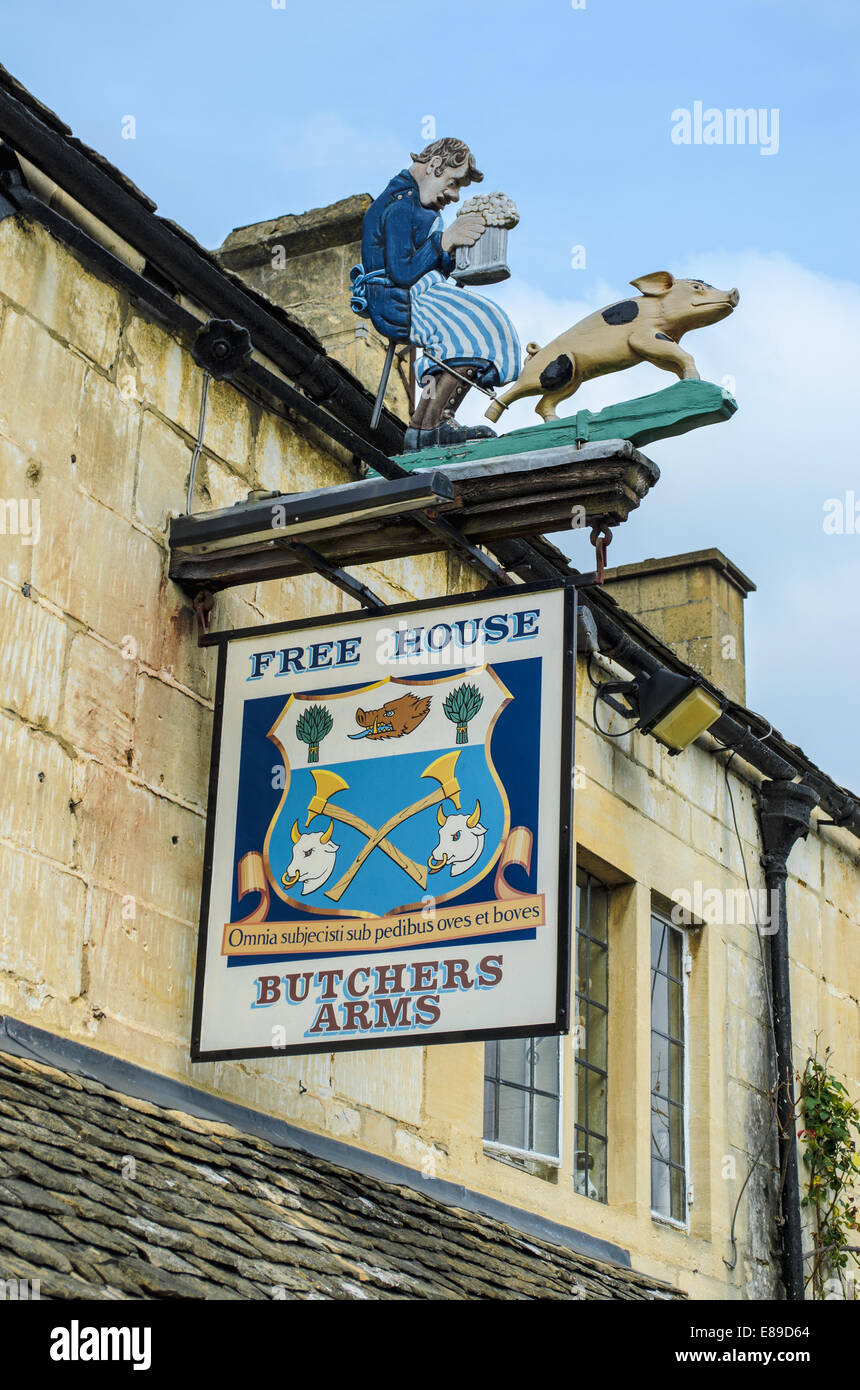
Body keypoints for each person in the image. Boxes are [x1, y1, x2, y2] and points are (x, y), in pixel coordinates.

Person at [350, 137, 521, 450]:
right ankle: (433, 423)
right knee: (476, 324)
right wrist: (445, 241)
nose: (454, 196)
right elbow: (401, 272)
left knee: (479, 319)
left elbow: (430, 262)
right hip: (397, 301)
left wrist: (458, 252)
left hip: (420, 293)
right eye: (453, 183)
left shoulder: (416, 203)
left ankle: (425, 424)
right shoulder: (401, 205)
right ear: (433, 166)